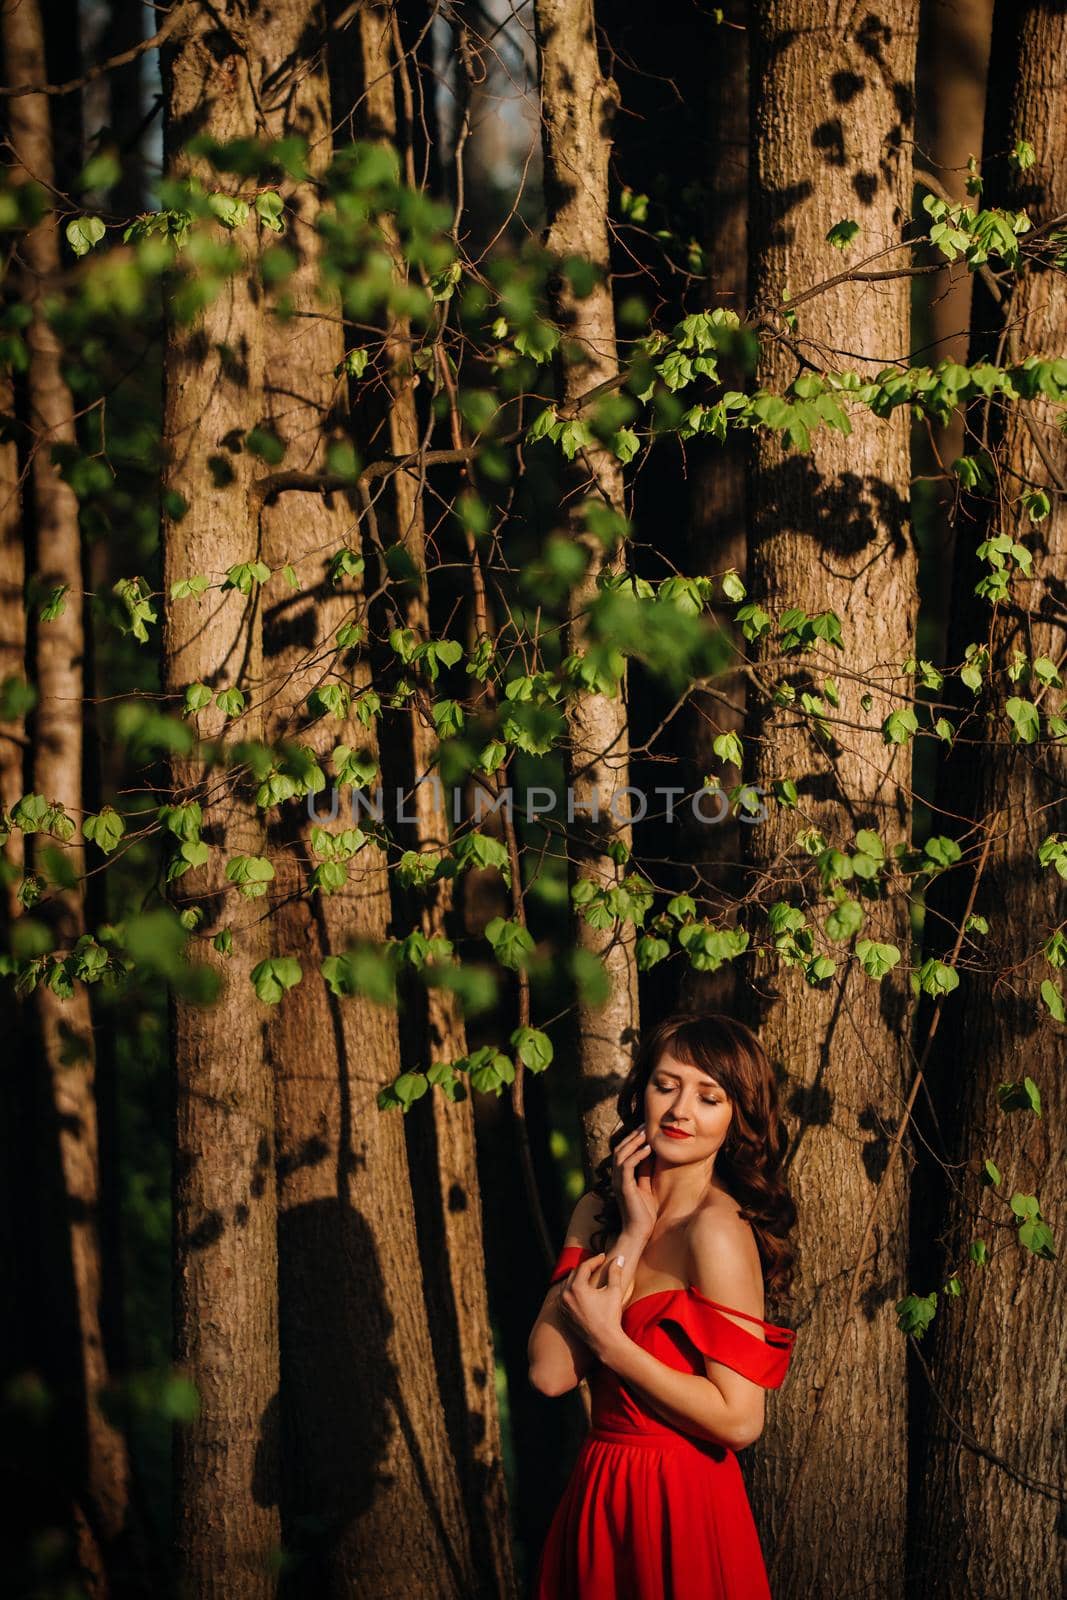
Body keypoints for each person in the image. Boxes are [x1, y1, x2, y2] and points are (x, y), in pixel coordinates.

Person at [527, 1011, 799, 1599]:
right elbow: (549, 1374)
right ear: (641, 1091)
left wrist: (611, 1346)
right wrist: (629, 1236)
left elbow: (740, 1419)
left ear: (737, 1120)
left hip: (683, 1499)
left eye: (709, 1096)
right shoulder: (598, 1212)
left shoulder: (718, 1231)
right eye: (666, 1084)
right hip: (599, 1489)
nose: (680, 1111)